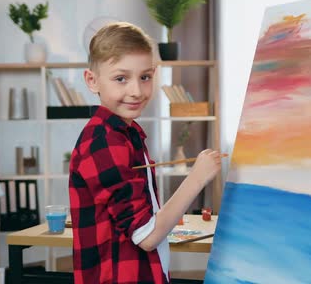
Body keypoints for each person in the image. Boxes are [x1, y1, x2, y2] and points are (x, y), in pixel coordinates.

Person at [68, 22, 221, 284]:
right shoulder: (104, 142)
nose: (136, 91)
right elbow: (147, 236)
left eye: (145, 77)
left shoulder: (127, 133)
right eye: (121, 78)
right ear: (92, 81)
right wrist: (197, 178)